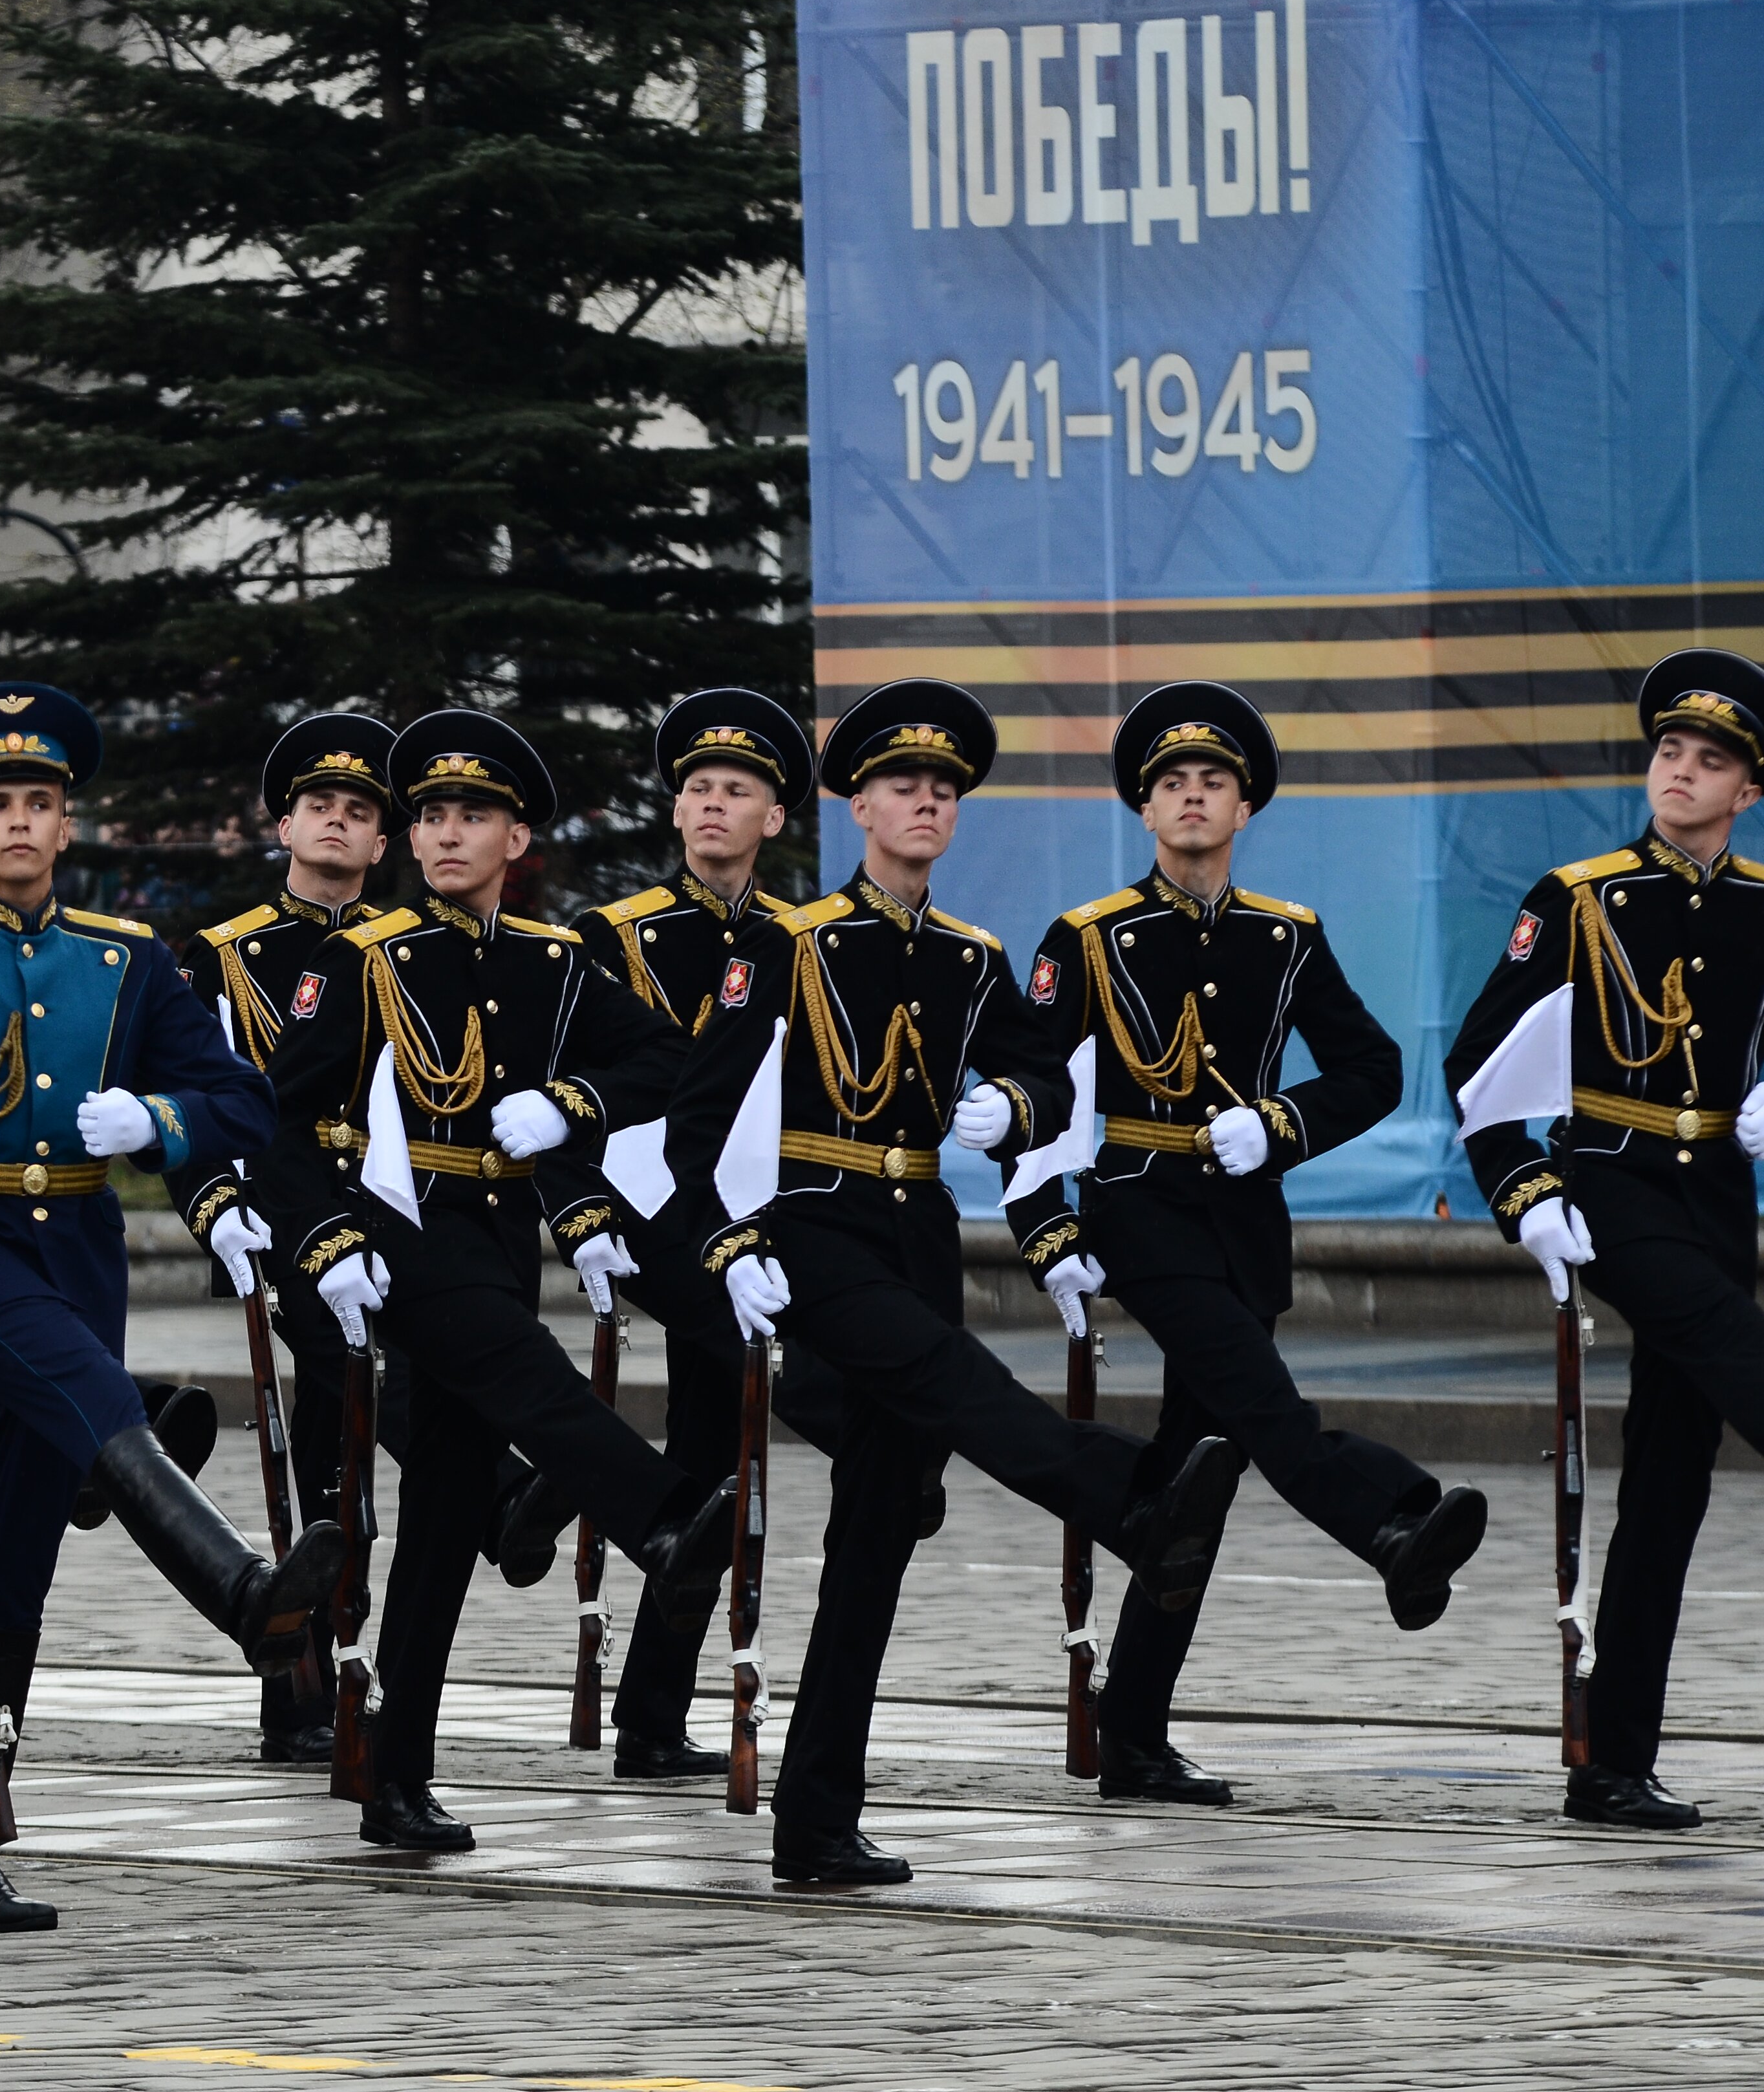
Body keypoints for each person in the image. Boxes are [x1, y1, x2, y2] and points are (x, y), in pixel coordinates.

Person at [669, 680, 1243, 1887]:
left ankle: (815, 1820)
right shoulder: (784, 941)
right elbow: (696, 1124)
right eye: (900, 788)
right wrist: (731, 1245)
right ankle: (1124, 1498)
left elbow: (1046, 1074)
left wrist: (1013, 1107)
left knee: (872, 1540)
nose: (923, 803)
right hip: (815, 1223)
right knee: (949, 1376)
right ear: (857, 807)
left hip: (916, 1221)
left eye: (941, 791)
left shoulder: (972, 956)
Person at [0, 682, 340, 1930]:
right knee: (99, 1403)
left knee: (9, 1558)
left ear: (63, 825)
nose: (15, 823)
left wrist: (156, 1120)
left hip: (79, 1248)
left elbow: (237, 1100)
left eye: (37, 804)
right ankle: (238, 1590)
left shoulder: (126, 959)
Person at [243, 709, 743, 1855]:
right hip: (400, 1225)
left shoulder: (552, 962)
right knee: (527, 1374)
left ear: (515, 836)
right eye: (429, 815)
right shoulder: (358, 959)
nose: (446, 832)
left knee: (445, 1516)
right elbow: (276, 1121)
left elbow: (665, 1055)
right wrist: (324, 1239)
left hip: (498, 1226)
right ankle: (661, 1519)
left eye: (471, 815)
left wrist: (571, 1105)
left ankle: (392, 1777)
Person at [1443, 649, 1764, 1831]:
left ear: (1745, 792)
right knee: (1731, 1346)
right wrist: (1523, 1189)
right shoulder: (1578, 894)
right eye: (1667, 753)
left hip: (1718, 1190)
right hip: (1610, 1181)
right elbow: (1480, 1069)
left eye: (1707, 762)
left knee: (1666, 1482)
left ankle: (1609, 1759)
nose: (1679, 773)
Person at [1004, 682, 1488, 1806]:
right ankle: (1389, 1514)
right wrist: (1044, 1222)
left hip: (1241, 1217)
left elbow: (1374, 1069)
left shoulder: (1285, 934)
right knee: (1262, 1406)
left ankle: (1131, 1730)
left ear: (1241, 806)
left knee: (1192, 1485)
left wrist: (1278, 1123)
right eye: (1170, 782)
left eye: (1209, 781)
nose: (1189, 795)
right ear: (1143, 805)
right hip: (1137, 1208)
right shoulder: (1088, 936)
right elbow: (1026, 1084)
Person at [505, 689, 841, 1782]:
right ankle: (876, 1433)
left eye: (734, 790)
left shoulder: (798, 938)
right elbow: (552, 1086)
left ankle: (651, 1712)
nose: (709, 804)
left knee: (707, 1467)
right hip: (646, 1206)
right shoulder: (616, 933)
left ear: (772, 817)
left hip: (752, 1215)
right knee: (774, 1368)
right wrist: (579, 1207)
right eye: (696, 788)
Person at [167, 714, 398, 1765]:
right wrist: (218, 1205)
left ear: (380, 842)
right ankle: (299, 1684)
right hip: (280, 1221)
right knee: (320, 1455)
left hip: (387, 1214)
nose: (337, 825)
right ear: (284, 824)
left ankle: (349, 1665)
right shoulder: (225, 956)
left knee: (363, 1447)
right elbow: (189, 1101)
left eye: (358, 813)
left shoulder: (405, 948)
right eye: (321, 809)